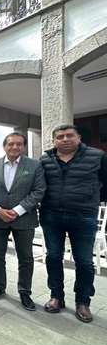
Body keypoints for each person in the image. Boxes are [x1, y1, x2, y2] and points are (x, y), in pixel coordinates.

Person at [39, 124, 107, 323]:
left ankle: (83, 301)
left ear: (78, 137)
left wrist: (91, 198)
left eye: (69, 135)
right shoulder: (45, 159)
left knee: (84, 262)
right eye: (60, 137)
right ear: (54, 141)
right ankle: (56, 296)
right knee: (53, 257)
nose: (65, 139)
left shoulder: (97, 156)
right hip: (51, 215)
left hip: (83, 216)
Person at [0, 131, 46, 310]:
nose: (15, 147)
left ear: (24, 146)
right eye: (11, 144)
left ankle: (25, 292)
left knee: (26, 257)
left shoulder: (35, 165)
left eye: (19, 144)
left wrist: (17, 211)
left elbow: (39, 191)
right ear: (4, 146)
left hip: (24, 219)